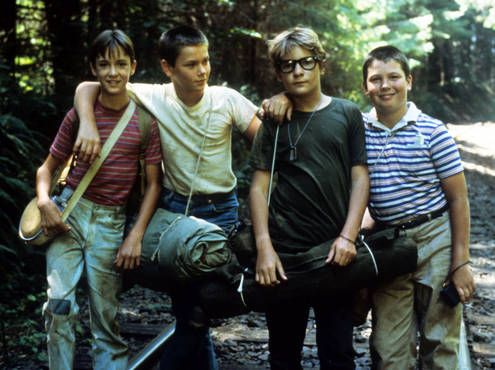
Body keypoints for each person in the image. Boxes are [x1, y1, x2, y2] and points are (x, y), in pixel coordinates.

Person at [73, 26, 260, 370]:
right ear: (167, 67)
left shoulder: (226, 99)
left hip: (222, 213)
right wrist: (86, 122)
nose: (203, 71)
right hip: (175, 213)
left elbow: (268, 143)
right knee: (189, 310)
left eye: (205, 61)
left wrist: (277, 106)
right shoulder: (155, 97)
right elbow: (88, 87)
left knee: (203, 308)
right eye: (191, 64)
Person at [37, 29, 162, 370]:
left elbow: (154, 184)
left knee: (106, 318)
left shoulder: (146, 121)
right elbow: (46, 169)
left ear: (133, 67)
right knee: (59, 306)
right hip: (70, 216)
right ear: (93, 68)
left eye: (121, 64)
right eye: (104, 64)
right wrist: (45, 200)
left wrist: (135, 234)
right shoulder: (80, 114)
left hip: (110, 222)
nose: (113, 72)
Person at [249, 27, 369, 370]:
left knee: (339, 352)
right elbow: (258, 188)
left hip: (336, 255)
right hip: (285, 255)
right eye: (287, 65)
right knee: (284, 354)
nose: (297, 71)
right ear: (278, 73)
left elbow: (360, 177)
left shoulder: (346, 114)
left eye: (306, 62)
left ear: (321, 65)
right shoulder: (274, 120)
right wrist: (264, 248)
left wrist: (349, 236)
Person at [360, 45, 475, 369]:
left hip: (435, 238)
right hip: (389, 245)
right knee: (387, 348)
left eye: (394, 77)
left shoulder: (433, 132)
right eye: (376, 79)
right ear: (365, 86)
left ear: (408, 80)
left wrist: (460, 262)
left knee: (440, 341)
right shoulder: (359, 131)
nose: (385, 86)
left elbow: (458, 198)